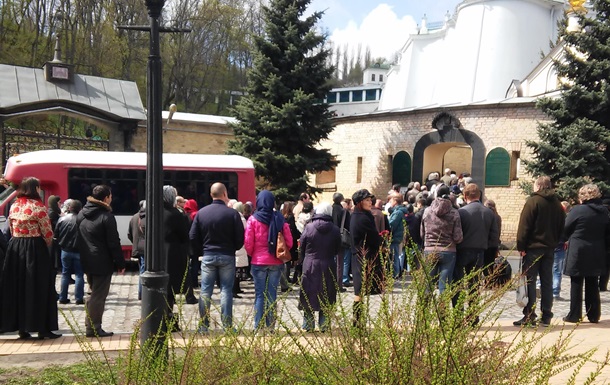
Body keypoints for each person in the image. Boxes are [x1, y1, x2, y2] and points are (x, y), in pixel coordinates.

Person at [0, 177, 61, 340]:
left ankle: (22, 328)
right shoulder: (38, 207)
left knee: (19, 287)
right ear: (35, 189)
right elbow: (48, 233)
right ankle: (43, 328)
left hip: (15, 247)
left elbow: (12, 229)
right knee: (39, 287)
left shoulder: (14, 206)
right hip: (35, 248)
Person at [190, 182, 244, 333]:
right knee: (226, 290)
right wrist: (233, 248)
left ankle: (203, 325)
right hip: (227, 255)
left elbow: (193, 236)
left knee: (205, 291)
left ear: (211, 194)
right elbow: (240, 237)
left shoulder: (202, 213)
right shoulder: (232, 214)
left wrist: (202, 250)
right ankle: (227, 325)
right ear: (225, 194)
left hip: (208, 255)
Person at [514, 176, 565, 327]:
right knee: (547, 282)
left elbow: (524, 226)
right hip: (550, 248)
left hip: (532, 248)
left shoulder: (533, 201)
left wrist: (521, 246)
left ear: (538, 186)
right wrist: (555, 242)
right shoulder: (557, 204)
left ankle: (530, 315)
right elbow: (562, 226)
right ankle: (547, 315)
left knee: (530, 281)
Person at [77, 184, 126, 338]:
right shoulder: (106, 216)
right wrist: (120, 263)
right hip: (102, 261)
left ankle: (90, 324)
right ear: (106, 198)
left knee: (92, 293)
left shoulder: (81, 214)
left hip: (86, 259)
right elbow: (113, 242)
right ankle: (93, 328)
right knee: (99, 295)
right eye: (110, 196)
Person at [245, 190, 293, 331]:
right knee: (272, 294)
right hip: (276, 262)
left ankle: (258, 326)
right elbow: (288, 242)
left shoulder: (253, 219)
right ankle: (271, 326)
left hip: (258, 262)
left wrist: (253, 255)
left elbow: (248, 242)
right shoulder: (279, 218)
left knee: (260, 294)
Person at [562, 184, 610, 324]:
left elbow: (566, 228)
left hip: (579, 249)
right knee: (592, 283)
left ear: (582, 196)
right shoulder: (604, 211)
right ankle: (594, 314)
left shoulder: (578, 210)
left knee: (576, 282)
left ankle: (574, 315)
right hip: (597, 249)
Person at [453, 184, 498, 324]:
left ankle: (458, 316)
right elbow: (494, 236)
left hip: (462, 251)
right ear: (479, 195)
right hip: (480, 252)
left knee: (459, 284)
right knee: (474, 285)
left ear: (465, 196)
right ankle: (473, 316)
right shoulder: (489, 213)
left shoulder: (461, 212)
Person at [299, 202, 341, 332]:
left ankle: (308, 324)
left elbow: (302, 245)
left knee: (308, 292)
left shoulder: (309, 227)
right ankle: (324, 324)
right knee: (326, 293)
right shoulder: (335, 229)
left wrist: (303, 259)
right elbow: (337, 249)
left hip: (310, 263)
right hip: (328, 262)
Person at [420, 184, 463, 294]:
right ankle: (442, 310)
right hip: (448, 251)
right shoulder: (454, 212)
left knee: (427, 285)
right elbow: (458, 237)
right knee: (444, 286)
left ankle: (424, 309)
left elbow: (422, 233)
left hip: (430, 249)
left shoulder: (427, 211)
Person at [350, 189, 383, 327]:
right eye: (367, 200)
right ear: (360, 202)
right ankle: (357, 320)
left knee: (362, 290)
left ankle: (358, 320)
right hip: (362, 256)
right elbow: (372, 237)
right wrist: (381, 241)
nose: (370, 202)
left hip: (364, 254)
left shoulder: (363, 215)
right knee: (360, 289)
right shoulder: (362, 218)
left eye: (370, 200)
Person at [162, 186, 191, 330]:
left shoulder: (152, 213)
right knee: (169, 290)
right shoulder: (176, 214)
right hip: (171, 255)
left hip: (156, 254)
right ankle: (168, 319)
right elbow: (184, 236)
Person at [55, 199, 85, 305]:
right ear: (80, 209)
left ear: (69, 208)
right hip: (79, 251)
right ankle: (79, 298)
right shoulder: (83, 220)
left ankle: (63, 297)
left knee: (65, 274)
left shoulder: (62, 219)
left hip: (65, 250)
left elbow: (56, 234)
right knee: (79, 274)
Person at [127, 200, 146, 300]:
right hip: (147, 249)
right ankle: (143, 294)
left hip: (138, 248)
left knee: (142, 269)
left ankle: (141, 293)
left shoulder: (134, 217)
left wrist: (136, 243)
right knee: (144, 271)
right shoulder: (148, 217)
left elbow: (129, 234)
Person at [331, 192, 350, 292]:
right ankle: (338, 285)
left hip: (329, 237)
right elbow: (348, 225)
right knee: (339, 262)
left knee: (330, 261)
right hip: (339, 238)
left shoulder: (329, 209)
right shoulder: (343, 211)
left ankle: (330, 283)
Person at [553, 201, 571, 299]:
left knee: (547, 268)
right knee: (557, 270)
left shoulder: (551, 216)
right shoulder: (566, 218)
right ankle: (555, 292)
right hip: (560, 245)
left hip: (550, 245)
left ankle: (540, 285)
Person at [388, 193, 408, 278]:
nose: (389, 202)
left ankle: (395, 275)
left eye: (391, 200)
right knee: (395, 256)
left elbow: (391, 225)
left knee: (394, 257)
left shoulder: (398, 213)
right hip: (397, 237)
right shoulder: (398, 211)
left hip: (394, 237)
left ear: (395, 201)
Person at [232, 201, 249, 298]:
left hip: (235, 247)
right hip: (240, 246)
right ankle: (234, 289)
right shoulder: (241, 218)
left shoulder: (232, 217)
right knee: (236, 269)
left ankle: (236, 288)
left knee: (236, 268)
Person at [483, 200, 502, 279]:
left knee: (483, 264)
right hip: (494, 245)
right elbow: (498, 232)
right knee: (490, 265)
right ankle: (490, 281)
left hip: (485, 244)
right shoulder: (497, 217)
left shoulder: (485, 215)